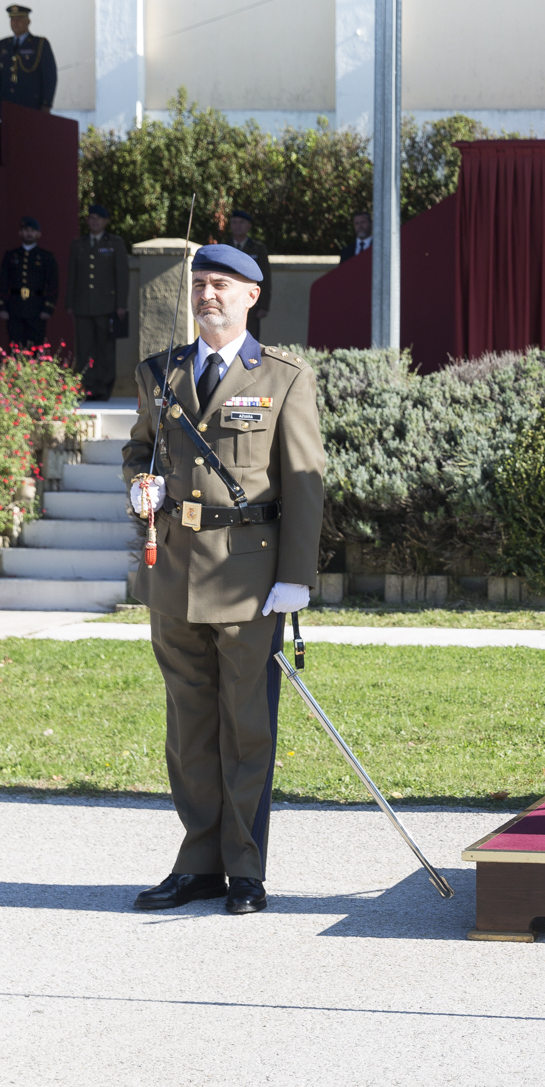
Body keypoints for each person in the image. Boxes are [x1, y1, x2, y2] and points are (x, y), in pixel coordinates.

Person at [122, 243, 327, 916]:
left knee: (247, 727)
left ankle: (245, 867)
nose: (207, 293)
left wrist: (295, 577)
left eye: (221, 284)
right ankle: (199, 861)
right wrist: (139, 484)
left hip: (248, 577)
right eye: (200, 282)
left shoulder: (284, 378)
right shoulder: (162, 371)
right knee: (189, 728)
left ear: (251, 296)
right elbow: (138, 446)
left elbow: (305, 483)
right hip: (175, 569)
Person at [70, 205, 130, 401]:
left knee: (105, 350)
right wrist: (70, 303)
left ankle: (103, 388)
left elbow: (122, 275)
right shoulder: (78, 244)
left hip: (107, 306)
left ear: (105, 221)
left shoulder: (114, 243)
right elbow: (72, 276)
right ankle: (87, 388)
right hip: (83, 306)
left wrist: (121, 304)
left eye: (98, 218)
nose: (94, 221)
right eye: (91, 218)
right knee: (84, 349)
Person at [1, 215, 57, 348]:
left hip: (36, 307)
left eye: (32, 230)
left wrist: (48, 308)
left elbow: (53, 285)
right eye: (26, 230)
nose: (29, 233)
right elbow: (3, 282)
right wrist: (2, 306)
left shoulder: (46, 257)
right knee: (15, 348)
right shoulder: (11, 256)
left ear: (38, 234)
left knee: (36, 347)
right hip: (15, 307)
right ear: (20, 232)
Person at [0, 4, 56, 111]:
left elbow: (49, 76)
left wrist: (46, 104)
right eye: (12, 19)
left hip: (31, 105)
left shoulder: (39, 44)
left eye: (19, 19)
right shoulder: (3, 45)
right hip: (6, 105)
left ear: (28, 21)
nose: (15, 23)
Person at [227, 211, 272, 341]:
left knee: (250, 337)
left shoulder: (258, 249)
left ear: (249, 226)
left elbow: (265, 278)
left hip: (251, 303)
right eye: (234, 222)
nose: (237, 226)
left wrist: (263, 306)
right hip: (229, 300)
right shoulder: (225, 246)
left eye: (241, 222)